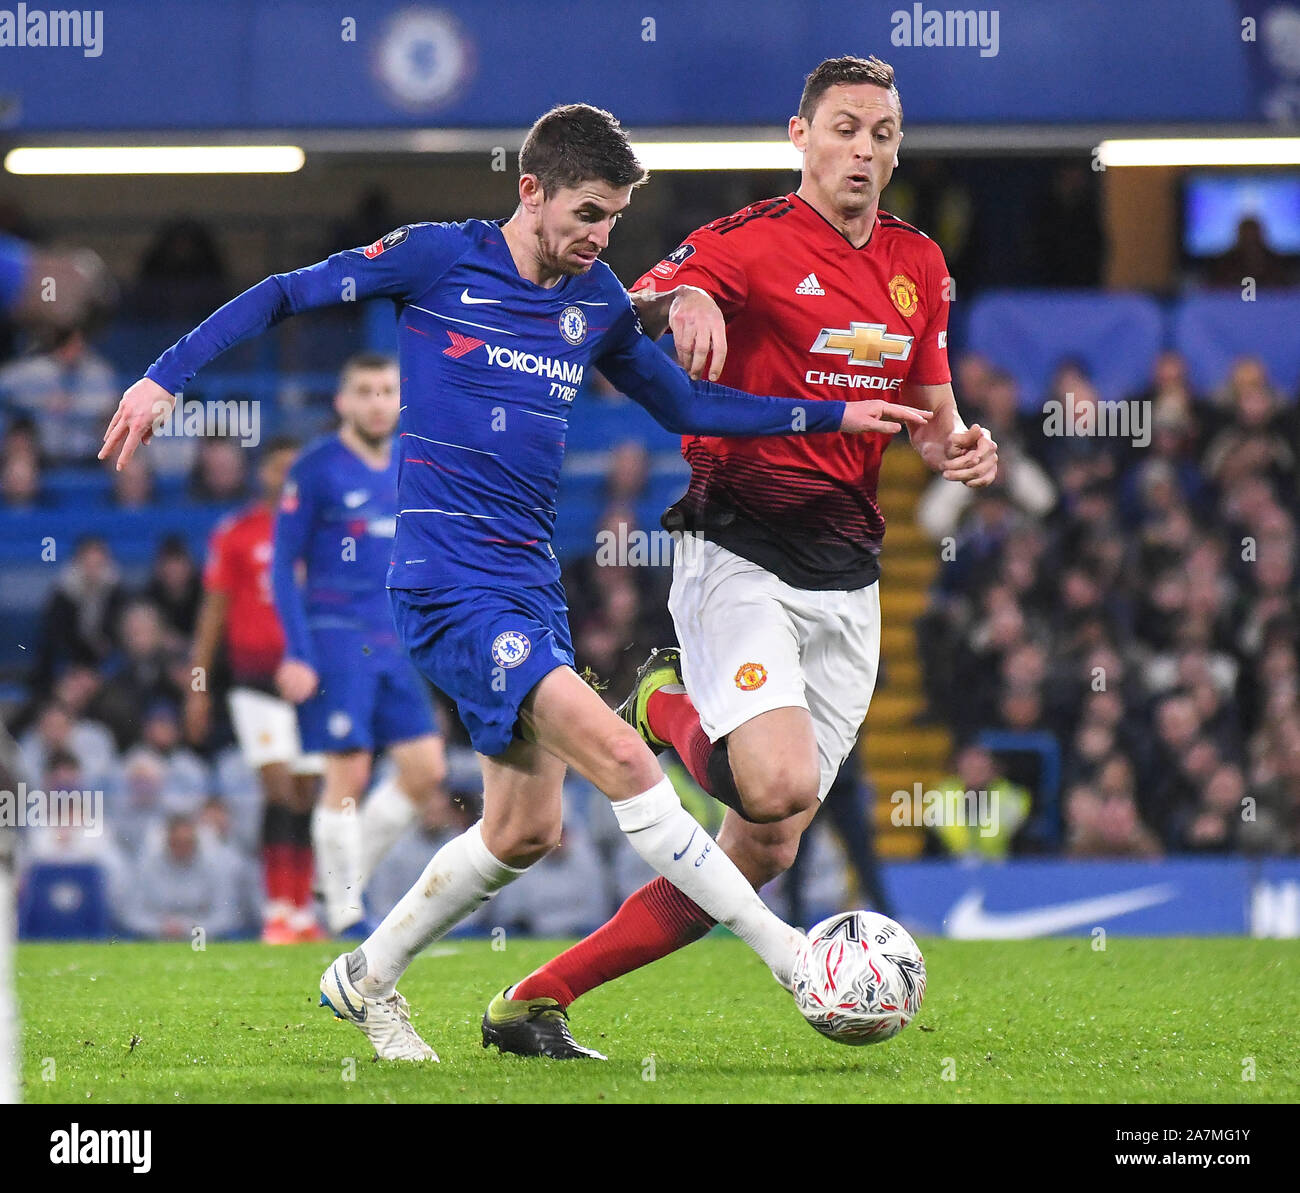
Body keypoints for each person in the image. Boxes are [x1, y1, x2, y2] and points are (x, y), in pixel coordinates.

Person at [100, 102, 925, 1063]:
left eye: (614, 218)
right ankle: (795, 962)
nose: (600, 237)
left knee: (523, 829)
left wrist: (825, 417)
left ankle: (365, 976)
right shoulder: (438, 259)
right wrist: (165, 376)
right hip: (448, 580)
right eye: (585, 214)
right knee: (621, 757)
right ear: (529, 192)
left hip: (528, 583)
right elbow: (286, 292)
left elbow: (686, 402)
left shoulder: (600, 299)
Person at [496, 56, 997, 1056]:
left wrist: (959, 444)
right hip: (738, 547)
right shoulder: (746, 241)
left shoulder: (921, 265)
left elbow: (931, 419)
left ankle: (533, 998)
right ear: (799, 136)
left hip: (849, 574)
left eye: (883, 134)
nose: (864, 149)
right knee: (772, 785)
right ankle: (654, 700)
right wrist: (682, 306)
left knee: (764, 843)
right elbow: (627, 303)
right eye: (845, 128)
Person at [272, 352, 449, 934]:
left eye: (386, 391)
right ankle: (344, 917)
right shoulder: (318, 466)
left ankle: (339, 883)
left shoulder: (409, 461)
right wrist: (297, 651)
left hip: (393, 637)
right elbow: (282, 565)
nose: (377, 402)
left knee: (425, 768)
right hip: (337, 637)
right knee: (347, 773)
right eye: (364, 391)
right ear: (342, 402)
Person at [185, 436, 324, 943]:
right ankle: (277, 908)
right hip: (254, 680)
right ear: (262, 473)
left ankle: (303, 910)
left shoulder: (323, 533)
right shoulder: (237, 533)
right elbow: (213, 613)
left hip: (312, 680)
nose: (286, 477)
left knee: (308, 790)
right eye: (278, 467)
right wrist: (197, 685)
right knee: (279, 783)